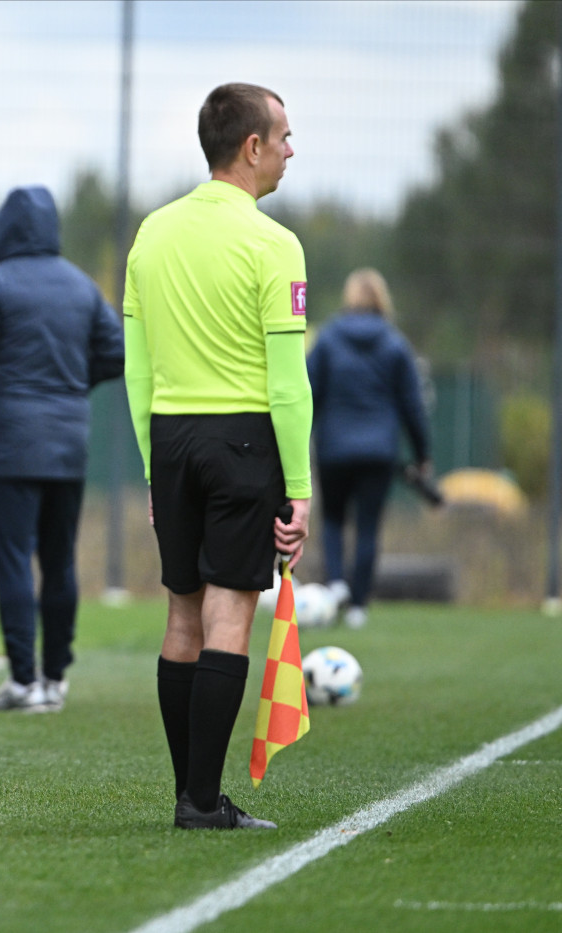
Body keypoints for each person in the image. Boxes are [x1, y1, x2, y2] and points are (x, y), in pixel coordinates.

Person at [123, 83, 312, 830]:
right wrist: (299, 486)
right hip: (243, 441)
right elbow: (288, 384)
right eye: (284, 136)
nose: (292, 149)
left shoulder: (152, 232)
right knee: (229, 615)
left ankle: (190, 793)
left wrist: (152, 467)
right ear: (252, 146)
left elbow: (137, 371)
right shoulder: (274, 243)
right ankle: (201, 802)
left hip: (171, 437)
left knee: (182, 616)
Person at [0, 185, 124, 714]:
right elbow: (117, 352)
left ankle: (23, 681)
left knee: (13, 561)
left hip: (7, 445)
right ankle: (55, 678)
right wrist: (73, 386)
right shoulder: (82, 285)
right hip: (67, 445)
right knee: (60, 561)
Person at [308, 269, 431, 629]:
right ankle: (358, 606)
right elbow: (413, 405)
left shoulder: (328, 338)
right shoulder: (395, 344)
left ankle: (336, 585)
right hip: (379, 452)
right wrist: (422, 454)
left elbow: (307, 391)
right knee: (367, 527)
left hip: (333, 447)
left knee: (332, 519)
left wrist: (297, 441)